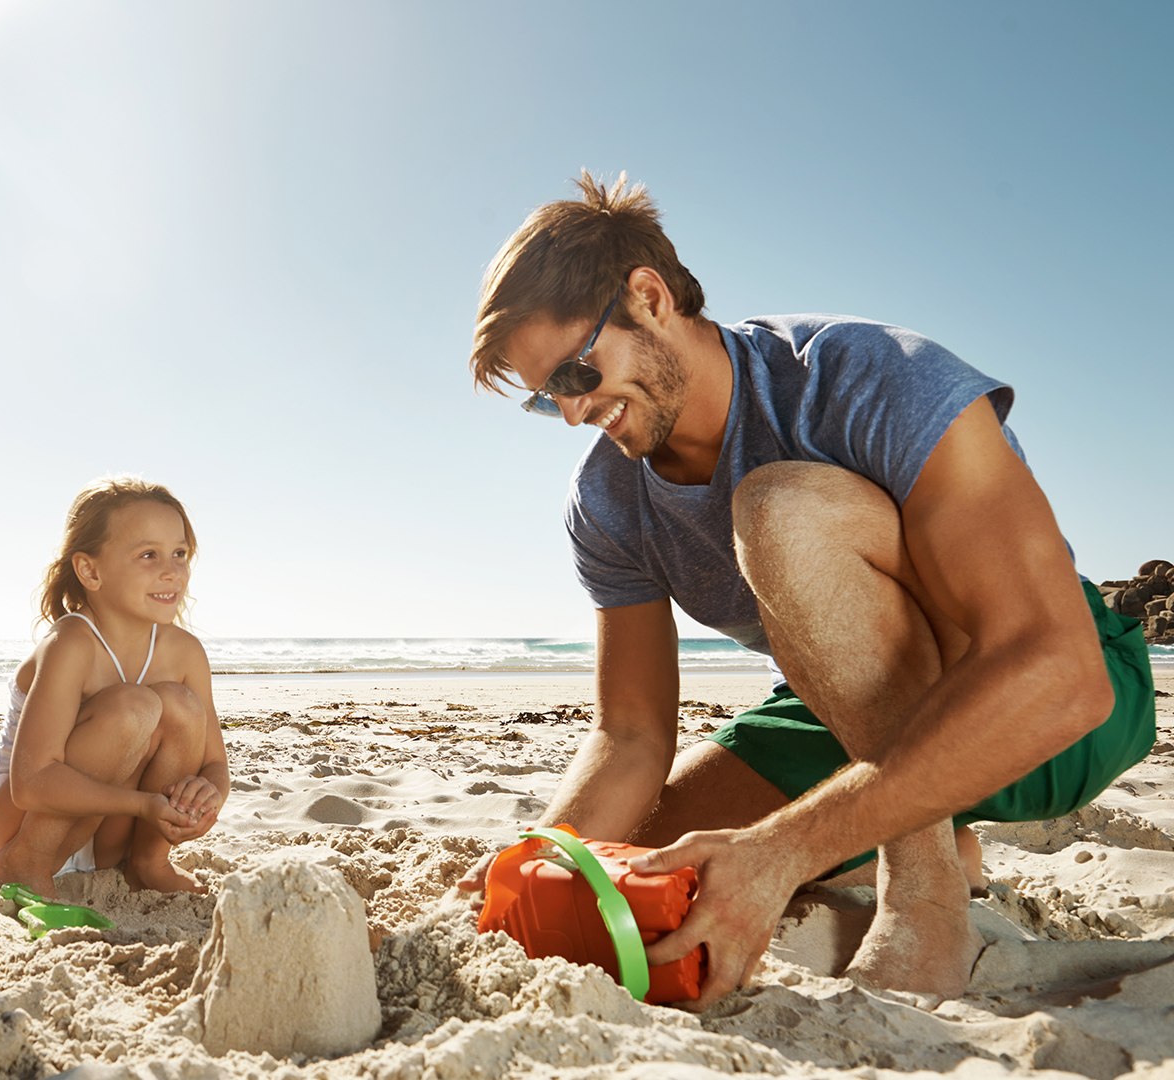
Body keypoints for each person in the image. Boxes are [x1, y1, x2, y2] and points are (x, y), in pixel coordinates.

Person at [455, 172, 1154, 1007]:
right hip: (844, 719)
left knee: (778, 510)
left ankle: (925, 894)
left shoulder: (868, 376)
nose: (572, 415)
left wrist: (782, 851)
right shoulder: (607, 499)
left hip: (1047, 708)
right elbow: (632, 733)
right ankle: (927, 842)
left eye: (575, 374)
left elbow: (1062, 676)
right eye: (546, 401)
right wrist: (535, 863)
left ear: (649, 298)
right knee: (644, 867)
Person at [0, 477, 229, 900]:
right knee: (133, 707)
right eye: (148, 555)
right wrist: (143, 805)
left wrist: (208, 796)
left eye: (180, 554)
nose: (172, 571)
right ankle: (27, 864)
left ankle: (148, 863)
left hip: (105, 837)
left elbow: (214, 763)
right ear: (90, 571)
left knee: (182, 705)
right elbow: (30, 783)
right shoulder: (71, 642)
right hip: (24, 825)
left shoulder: (185, 652)